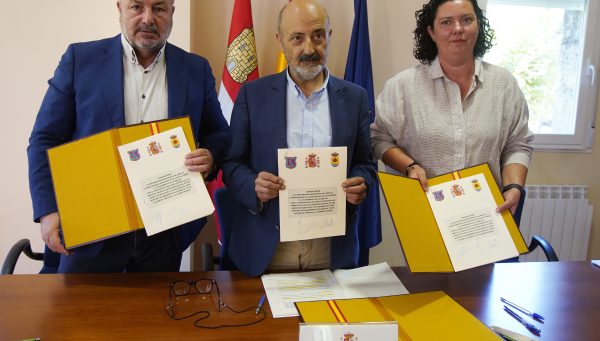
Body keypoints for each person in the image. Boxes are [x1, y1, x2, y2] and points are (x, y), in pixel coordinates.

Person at [27, 0, 229, 273]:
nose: (148, 18)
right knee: (81, 314)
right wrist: (48, 210)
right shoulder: (80, 60)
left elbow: (218, 132)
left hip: (164, 231)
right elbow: (44, 139)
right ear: (119, 9)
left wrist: (211, 155)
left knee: (151, 315)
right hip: (92, 227)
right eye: (137, 7)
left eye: (159, 8)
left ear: (171, 13)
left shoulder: (195, 69)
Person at [222, 0, 376, 277]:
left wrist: (360, 183)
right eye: (297, 38)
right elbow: (232, 163)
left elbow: (365, 163)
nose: (309, 48)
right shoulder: (252, 96)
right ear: (280, 41)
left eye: (318, 35)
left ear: (330, 36)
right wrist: (253, 185)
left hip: (331, 251)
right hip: (268, 252)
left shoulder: (355, 98)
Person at [371, 0, 533, 216]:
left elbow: (517, 144)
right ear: (431, 31)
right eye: (446, 22)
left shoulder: (504, 84)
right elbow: (379, 139)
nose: (458, 29)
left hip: (487, 213)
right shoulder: (403, 86)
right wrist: (409, 166)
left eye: (467, 20)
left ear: (478, 25)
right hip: (425, 212)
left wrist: (513, 187)